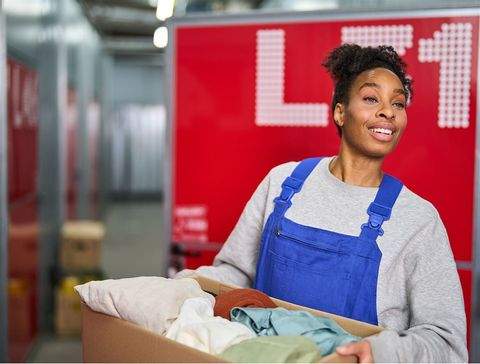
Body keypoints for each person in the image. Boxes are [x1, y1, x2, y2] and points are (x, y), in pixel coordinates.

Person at [175, 44, 467, 363]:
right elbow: (233, 275)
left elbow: (446, 344)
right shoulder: (283, 183)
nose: (388, 111)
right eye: (371, 98)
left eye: (398, 103)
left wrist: (381, 352)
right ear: (340, 112)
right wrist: (185, 288)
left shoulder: (417, 219)